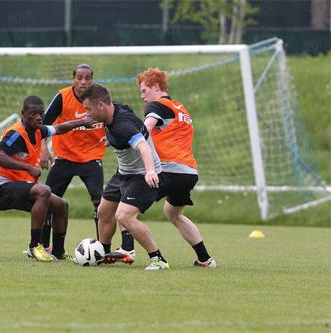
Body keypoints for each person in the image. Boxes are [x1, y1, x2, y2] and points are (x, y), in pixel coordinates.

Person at [124, 67, 215, 268]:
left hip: (168, 170)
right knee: (174, 213)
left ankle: (146, 256)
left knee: (123, 210)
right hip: (189, 172)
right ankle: (205, 259)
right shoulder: (180, 107)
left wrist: (126, 139)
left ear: (156, 87)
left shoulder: (156, 105)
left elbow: (145, 129)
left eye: (144, 90)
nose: (142, 97)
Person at [0, 95, 95, 262]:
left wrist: (82, 122)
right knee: (44, 191)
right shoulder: (16, 133)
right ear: (23, 114)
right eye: (33, 113)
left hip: (17, 185)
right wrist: (28, 167)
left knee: (61, 205)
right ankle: (35, 246)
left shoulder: (38, 130)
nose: (38, 117)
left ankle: (58, 252)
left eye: (41, 114)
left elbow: (60, 128)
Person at [80, 83, 169, 271]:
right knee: (104, 211)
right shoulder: (115, 110)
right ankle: (102, 253)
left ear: (101, 105)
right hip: (124, 173)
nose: (87, 114)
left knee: (124, 216)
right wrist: (109, 138)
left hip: (143, 175)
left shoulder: (123, 125)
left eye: (88, 109)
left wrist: (151, 171)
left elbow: (143, 146)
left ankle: (158, 259)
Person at [39, 64, 111, 251]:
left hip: (91, 157)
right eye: (79, 77)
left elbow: (112, 118)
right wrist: (43, 149)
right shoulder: (62, 97)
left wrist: (112, 137)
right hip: (64, 157)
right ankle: (43, 246)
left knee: (100, 203)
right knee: (47, 199)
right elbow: (43, 125)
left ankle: (102, 247)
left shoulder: (100, 97)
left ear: (92, 80)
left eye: (87, 78)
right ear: (73, 79)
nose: (83, 82)